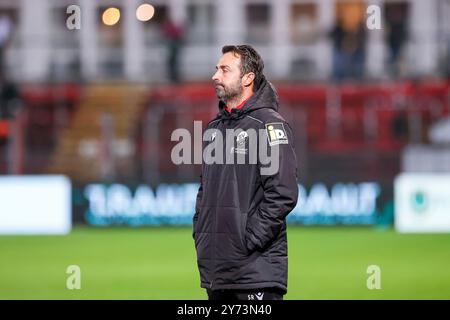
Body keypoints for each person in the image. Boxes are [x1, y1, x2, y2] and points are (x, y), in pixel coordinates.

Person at [193, 45, 299, 300]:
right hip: (218, 273)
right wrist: (201, 233)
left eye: (224, 69)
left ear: (248, 78)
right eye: (216, 69)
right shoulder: (215, 127)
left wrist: (247, 239)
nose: (215, 76)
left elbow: (283, 192)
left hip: (255, 274)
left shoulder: (269, 125)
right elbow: (205, 189)